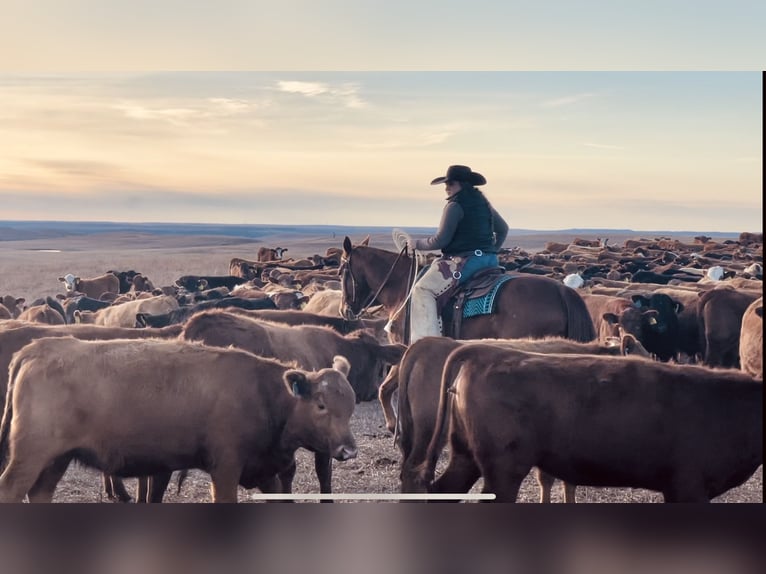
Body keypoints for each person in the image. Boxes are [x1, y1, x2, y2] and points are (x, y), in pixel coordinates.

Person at [406, 164, 509, 343]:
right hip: (490, 261)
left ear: (463, 184)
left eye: (451, 183)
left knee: (422, 290)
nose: (446, 188)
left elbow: (441, 240)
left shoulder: (454, 206)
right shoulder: (484, 205)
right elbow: (503, 229)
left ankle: (428, 345)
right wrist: (492, 249)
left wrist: (416, 244)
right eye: (446, 184)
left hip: (466, 262)